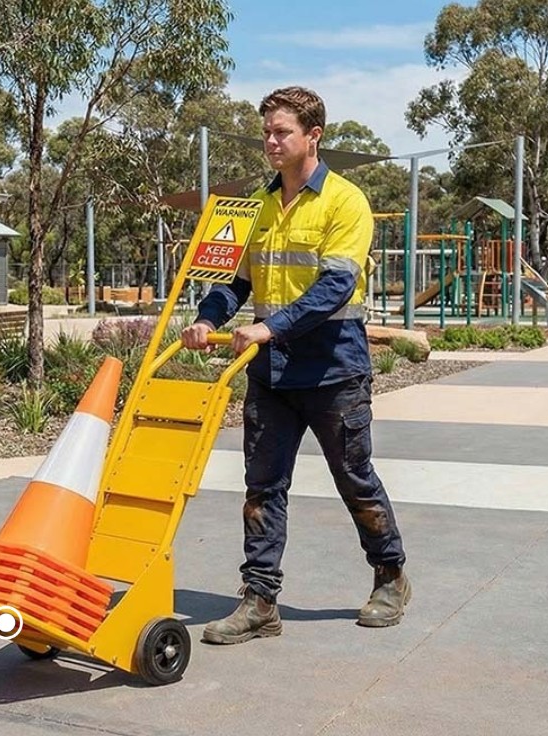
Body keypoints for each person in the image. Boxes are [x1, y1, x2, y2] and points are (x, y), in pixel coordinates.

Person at [180, 86, 410, 645]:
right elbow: (236, 281)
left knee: (354, 479)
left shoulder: (345, 202)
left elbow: (335, 285)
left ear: (314, 136)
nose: (271, 141)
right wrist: (208, 319)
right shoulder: (253, 205)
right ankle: (260, 601)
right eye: (266, 132)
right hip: (272, 373)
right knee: (262, 488)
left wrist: (268, 327)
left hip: (334, 371)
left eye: (282, 131)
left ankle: (390, 575)